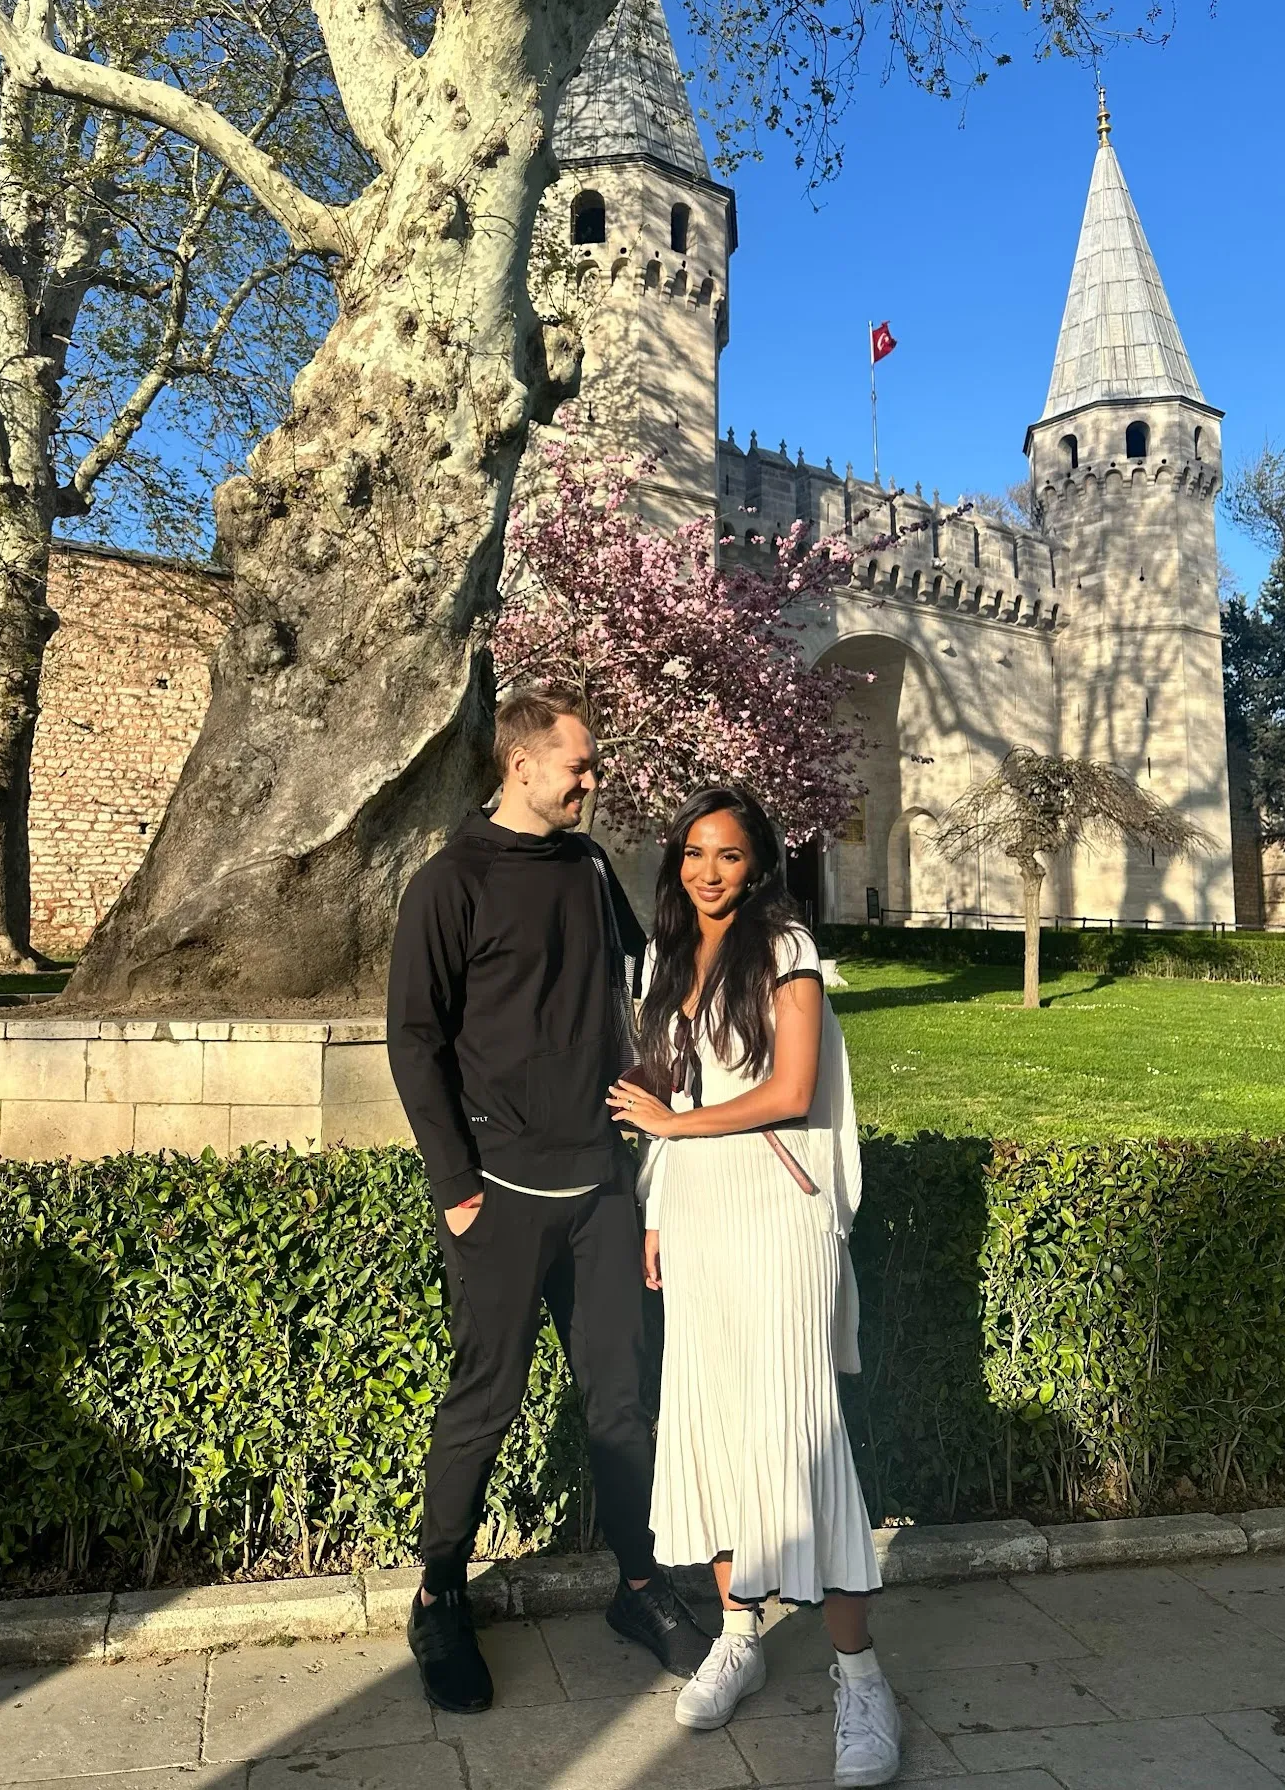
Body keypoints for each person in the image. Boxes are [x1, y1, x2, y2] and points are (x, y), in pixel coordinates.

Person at [386, 686, 712, 1715]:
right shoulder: (449, 882)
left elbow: (645, 974)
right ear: (522, 763)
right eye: (579, 762)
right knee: (485, 1399)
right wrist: (457, 1188)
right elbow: (414, 1039)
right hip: (503, 1193)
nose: (592, 776)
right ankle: (439, 1591)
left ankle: (639, 1581)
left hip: (600, 1187)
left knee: (622, 1394)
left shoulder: (585, 865)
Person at [608, 785, 901, 1787]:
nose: (707, 869)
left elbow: (789, 1089)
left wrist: (671, 1131)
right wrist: (654, 1208)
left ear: (758, 863)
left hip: (778, 1220)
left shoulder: (786, 950)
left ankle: (859, 1676)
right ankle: (736, 1631)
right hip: (694, 1218)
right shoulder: (661, 959)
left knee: (798, 1429)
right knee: (714, 1422)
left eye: (728, 853)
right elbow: (665, 1095)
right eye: (693, 851)